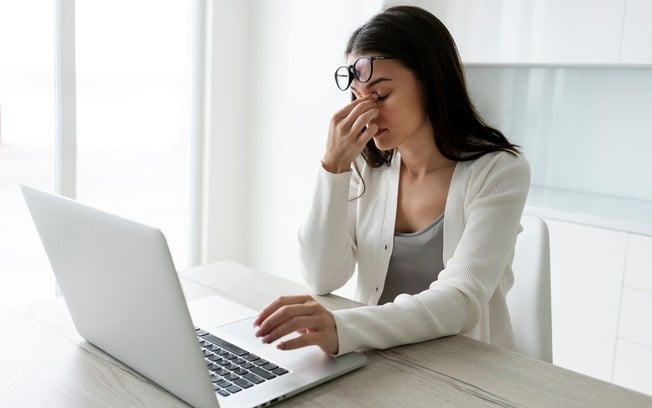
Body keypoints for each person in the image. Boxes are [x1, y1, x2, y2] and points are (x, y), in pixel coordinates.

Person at [253, 5, 530, 356]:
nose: (366, 111)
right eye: (356, 96)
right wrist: (333, 166)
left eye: (381, 95)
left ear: (432, 83)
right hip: (377, 357)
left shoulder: (499, 171)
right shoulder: (364, 166)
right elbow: (323, 277)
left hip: (465, 369)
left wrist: (342, 328)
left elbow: (461, 299)